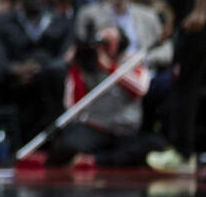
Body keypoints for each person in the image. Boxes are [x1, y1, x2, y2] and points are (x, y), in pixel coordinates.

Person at [0, 0, 74, 156]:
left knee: (57, 72)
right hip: (13, 81)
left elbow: (65, 55)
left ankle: (58, 139)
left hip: (46, 80)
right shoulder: (3, 22)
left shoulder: (60, 22)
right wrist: (13, 69)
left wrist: (39, 70)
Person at [47, 27, 165, 169]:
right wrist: (76, 68)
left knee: (155, 145)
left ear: (121, 43)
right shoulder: (88, 62)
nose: (102, 45)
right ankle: (101, 158)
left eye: (108, 41)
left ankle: (97, 160)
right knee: (66, 147)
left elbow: (140, 89)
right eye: (100, 41)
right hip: (96, 128)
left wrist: (110, 68)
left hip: (125, 131)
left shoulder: (132, 61)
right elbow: (72, 104)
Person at [146, 0, 206, 173]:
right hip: (187, 20)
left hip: (197, 24)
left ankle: (182, 153)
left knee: (185, 85)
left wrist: (202, 10)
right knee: (185, 85)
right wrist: (171, 21)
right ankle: (184, 151)